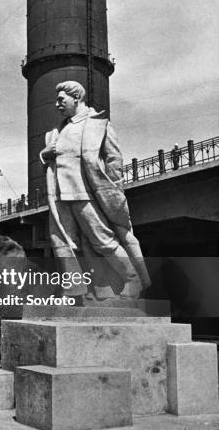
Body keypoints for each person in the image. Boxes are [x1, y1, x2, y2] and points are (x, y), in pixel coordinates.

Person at [40, 80, 150, 300]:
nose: (57, 104)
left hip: (85, 193)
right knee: (65, 243)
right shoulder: (56, 132)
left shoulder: (98, 123)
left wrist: (110, 189)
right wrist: (45, 153)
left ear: (76, 98)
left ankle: (133, 279)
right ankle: (84, 289)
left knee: (102, 241)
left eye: (61, 99)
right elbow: (49, 159)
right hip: (60, 196)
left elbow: (114, 159)